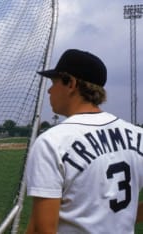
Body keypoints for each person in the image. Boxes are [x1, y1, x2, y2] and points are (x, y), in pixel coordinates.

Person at [25, 49, 143, 233]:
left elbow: (43, 230)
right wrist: (120, 216)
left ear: (71, 83)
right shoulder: (138, 135)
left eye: (54, 82)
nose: (49, 90)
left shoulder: (52, 141)